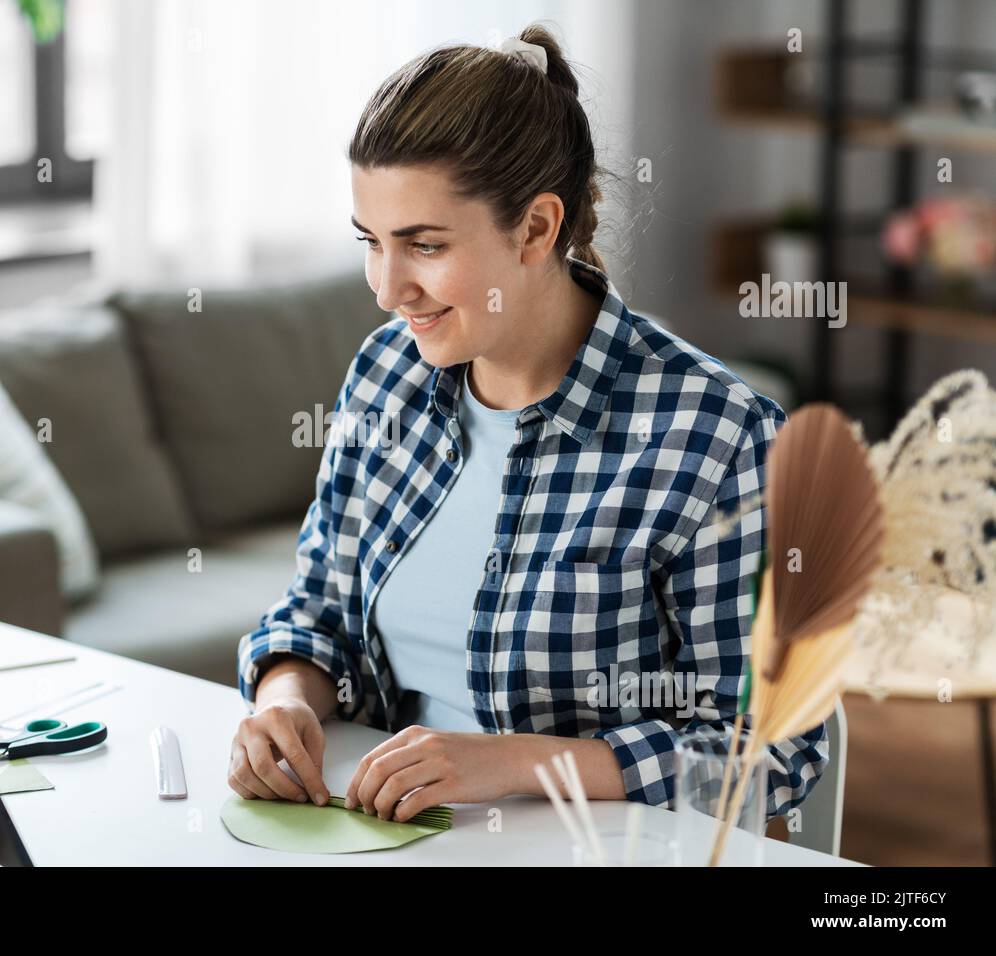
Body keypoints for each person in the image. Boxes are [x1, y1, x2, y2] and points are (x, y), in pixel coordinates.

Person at [229, 23, 826, 825]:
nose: (387, 288)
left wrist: (513, 763)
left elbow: (773, 753)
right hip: (382, 834)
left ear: (538, 229)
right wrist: (285, 700)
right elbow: (318, 611)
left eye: (425, 245)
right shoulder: (385, 377)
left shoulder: (717, 437)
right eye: (371, 242)